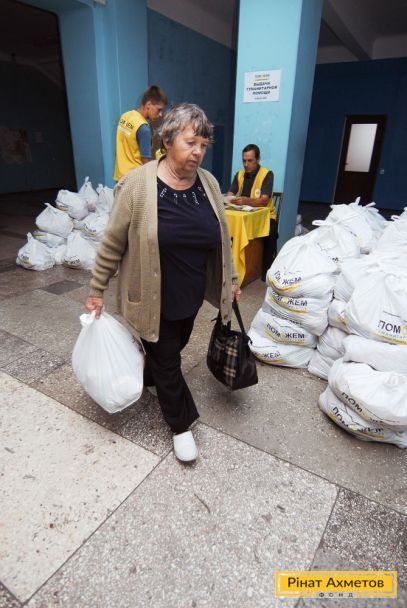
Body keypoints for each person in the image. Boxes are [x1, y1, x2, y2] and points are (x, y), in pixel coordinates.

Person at [86, 103, 241, 463]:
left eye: (203, 144)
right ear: (168, 140)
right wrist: (96, 290)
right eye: (190, 143)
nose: (198, 152)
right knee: (168, 358)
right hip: (150, 297)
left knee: (174, 346)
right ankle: (181, 425)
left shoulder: (209, 183)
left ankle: (147, 377)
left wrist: (231, 279)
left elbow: (222, 238)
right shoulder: (137, 186)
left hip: (190, 295)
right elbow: (112, 242)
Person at [227, 144, 277, 280]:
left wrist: (246, 200)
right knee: (224, 228)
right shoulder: (239, 174)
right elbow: (231, 192)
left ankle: (266, 271)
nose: (246, 164)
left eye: (250, 161)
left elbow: (264, 201)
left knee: (272, 233)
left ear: (258, 159)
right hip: (243, 214)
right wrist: (230, 198)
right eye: (244, 161)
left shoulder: (267, 174)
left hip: (265, 216)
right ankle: (232, 269)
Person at [113, 85, 168, 181]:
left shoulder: (125, 116)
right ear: (148, 104)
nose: (160, 114)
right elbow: (146, 162)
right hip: (134, 180)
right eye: (159, 109)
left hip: (120, 176)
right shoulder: (144, 129)